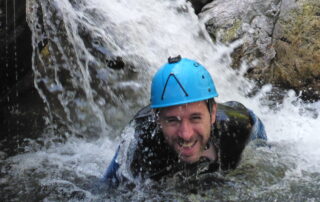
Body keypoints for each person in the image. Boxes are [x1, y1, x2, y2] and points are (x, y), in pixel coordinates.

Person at [102, 56, 267, 186]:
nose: (186, 134)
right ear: (158, 119)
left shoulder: (238, 126)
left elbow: (264, 151)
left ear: (213, 113)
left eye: (195, 118)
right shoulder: (140, 141)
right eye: (173, 120)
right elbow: (106, 190)